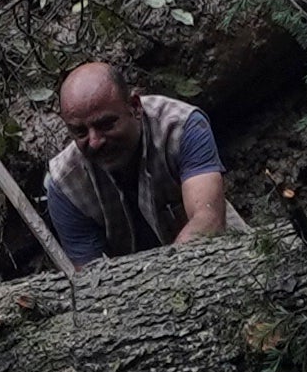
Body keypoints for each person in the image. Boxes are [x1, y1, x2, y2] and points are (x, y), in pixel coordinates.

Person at [42, 62, 234, 265]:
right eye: (80, 132)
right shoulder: (65, 186)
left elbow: (207, 221)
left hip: (221, 264)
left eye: (106, 124)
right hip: (135, 288)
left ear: (135, 107)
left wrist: (166, 283)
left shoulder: (182, 127)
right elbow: (88, 278)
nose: (95, 141)